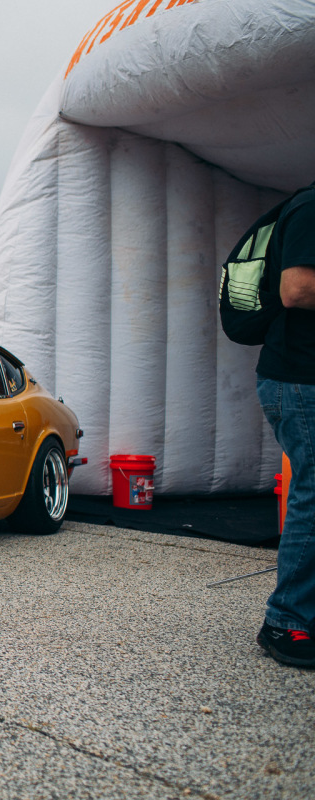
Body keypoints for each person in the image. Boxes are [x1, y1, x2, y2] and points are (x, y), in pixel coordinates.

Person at [255, 181, 315, 669]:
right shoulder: (312, 206)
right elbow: (296, 289)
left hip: (300, 379)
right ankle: (286, 620)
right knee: (313, 496)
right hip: (300, 379)